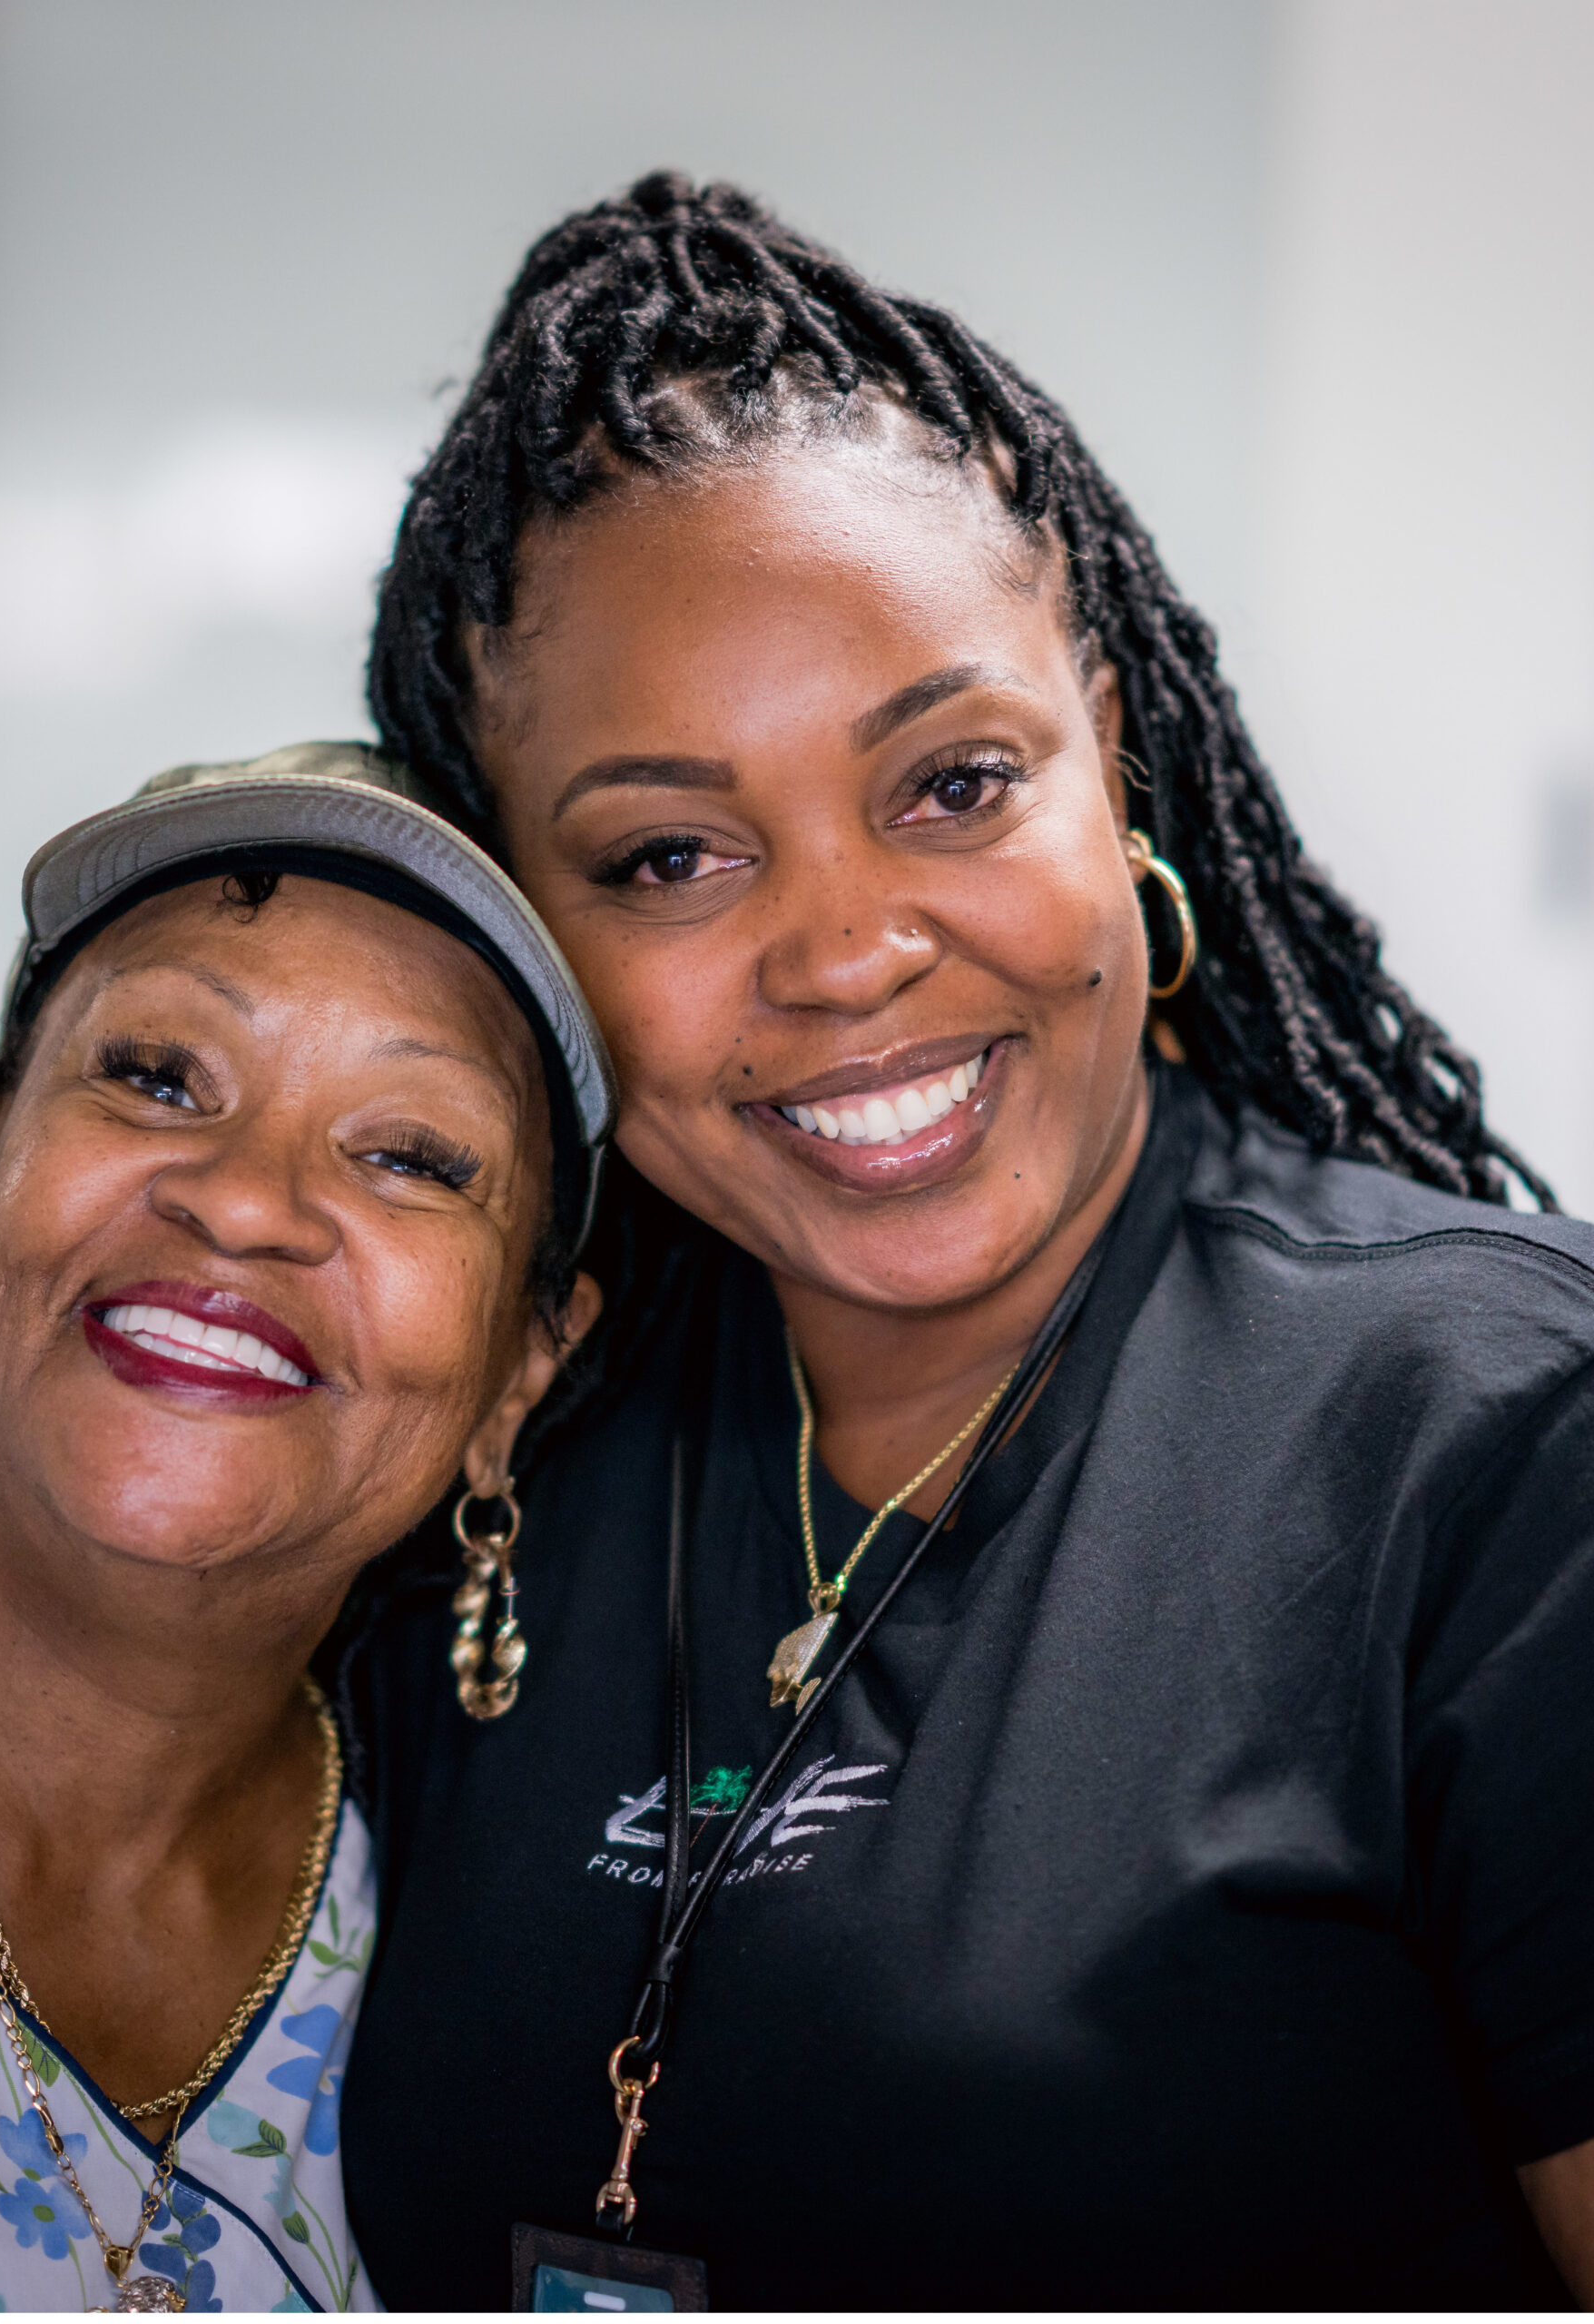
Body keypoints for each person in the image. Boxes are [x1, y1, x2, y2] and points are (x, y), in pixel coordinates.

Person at [338, 174, 1594, 2309]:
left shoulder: (1490, 1446)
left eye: (948, 783)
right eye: (668, 853)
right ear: (528, 933)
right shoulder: (507, 1444)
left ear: (1110, 752)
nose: (844, 950)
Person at [0, 743, 608, 2312]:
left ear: (519, 1377)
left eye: (410, 1153)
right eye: (156, 1077)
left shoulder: (477, 1955)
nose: (247, 1197)